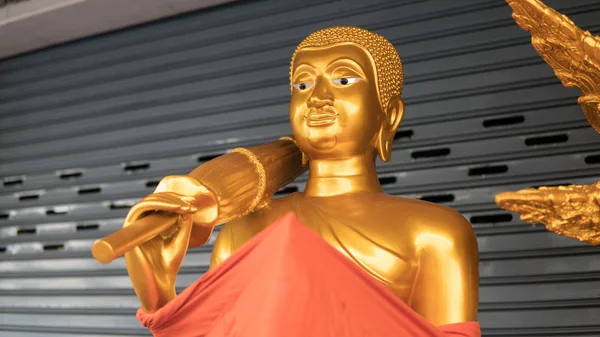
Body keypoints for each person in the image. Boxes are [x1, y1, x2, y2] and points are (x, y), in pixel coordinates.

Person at [121, 26, 480, 334]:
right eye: (303, 84)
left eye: (344, 79)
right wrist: (158, 290)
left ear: (390, 115)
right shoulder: (243, 231)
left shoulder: (435, 233)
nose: (318, 98)